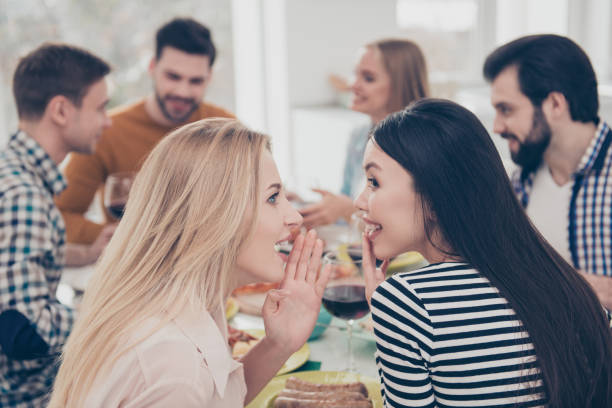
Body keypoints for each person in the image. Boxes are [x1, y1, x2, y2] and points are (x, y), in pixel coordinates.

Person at [49, 118, 330, 407]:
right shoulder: (175, 366)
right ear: (213, 218)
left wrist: (278, 344)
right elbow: (188, 386)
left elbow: (217, 399)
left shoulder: (188, 303)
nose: (295, 216)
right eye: (272, 198)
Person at [357, 99, 612, 407]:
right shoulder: (564, 282)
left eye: (374, 182)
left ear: (436, 198)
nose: (359, 201)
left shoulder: (405, 302)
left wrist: (386, 311)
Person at [56, 17, 235, 246]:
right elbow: (61, 215)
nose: (183, 90)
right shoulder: (107, 131)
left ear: (209, 78)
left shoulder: (226, 129)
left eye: (196, 81)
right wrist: (118, 238)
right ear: (152, 67)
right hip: (133, 266)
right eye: (173, 76)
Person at [0, 43, 112, 407]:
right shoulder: (25, 196)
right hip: (28, 397)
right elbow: (23, 331)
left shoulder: (13, 174)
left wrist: (87, 254)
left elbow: (15, 262)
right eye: (100, 108)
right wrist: (112, 317)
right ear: (62, 110)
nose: (107, 121)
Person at [483, 34, 612, 309]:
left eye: (506, 109)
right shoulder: (521, 180)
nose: (497, 126)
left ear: (555, 104)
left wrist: (558, 283)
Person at [300, 39, 429, 228]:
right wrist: (313, 208)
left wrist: (347, 209)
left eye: (368, 78)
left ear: (400, 85)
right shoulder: (359, 137)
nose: (353, 85)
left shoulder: (424, 146)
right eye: (355, 74)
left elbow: (415, 224)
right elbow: (346, 202)